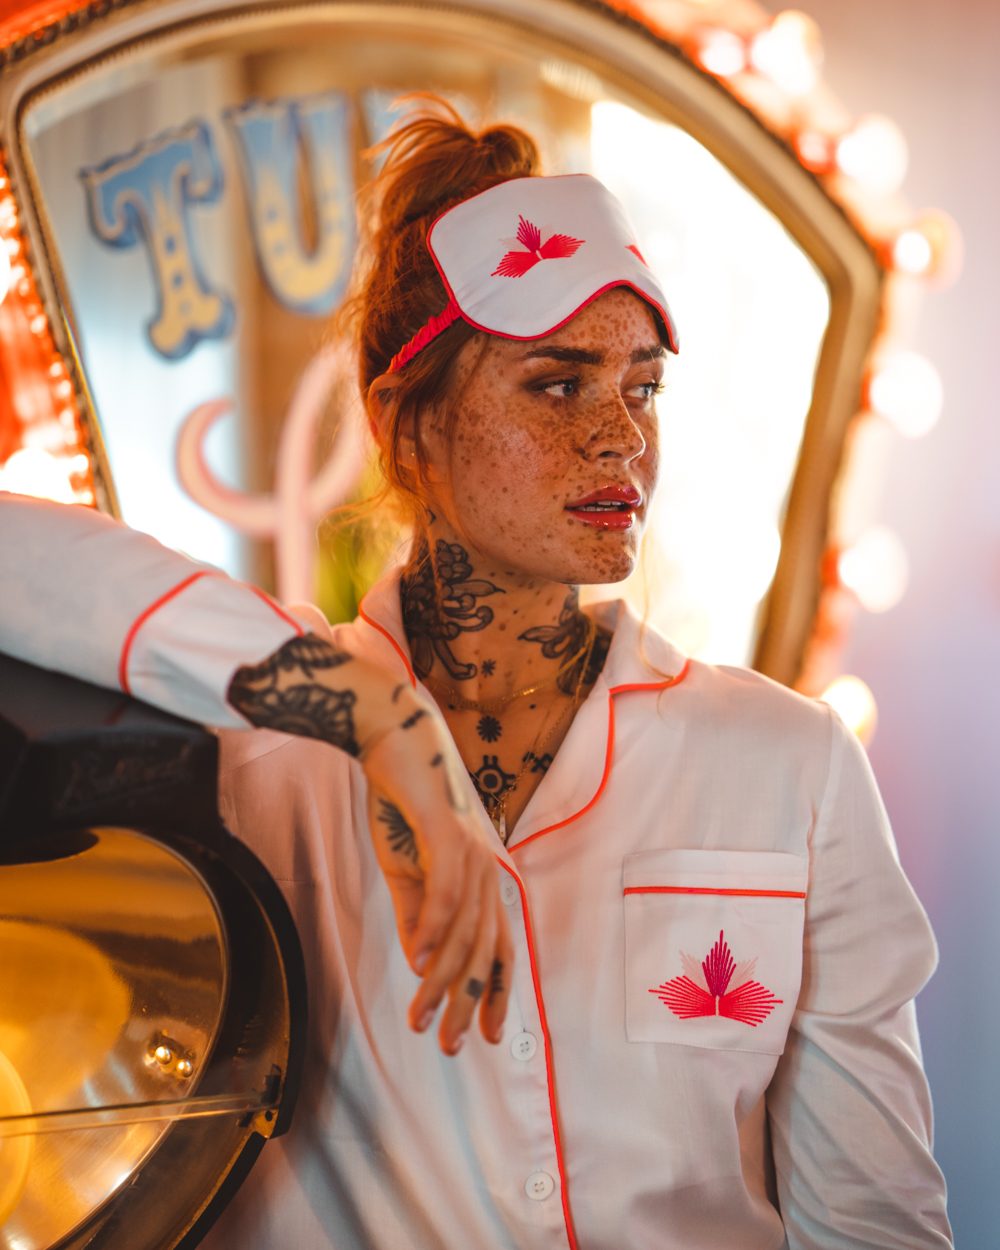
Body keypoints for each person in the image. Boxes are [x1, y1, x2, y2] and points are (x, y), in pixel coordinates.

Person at [0, 99, 952, 1249]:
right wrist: (372, 712)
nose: (621, 436)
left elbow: (876, 1222)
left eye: (641, 384)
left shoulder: (787, 766)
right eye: (557, 383)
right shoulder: (260, 756)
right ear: (406, 429)